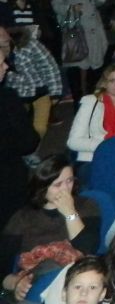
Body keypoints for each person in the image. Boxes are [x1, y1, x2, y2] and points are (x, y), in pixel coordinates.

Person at [0, 155, 100, 298]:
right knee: (48, 267)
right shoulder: (24, 217)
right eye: (57, 185)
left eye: (69, 181)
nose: (65, 189)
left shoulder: (87, 206)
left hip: (77, 280)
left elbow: (87, 248)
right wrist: (15, 282)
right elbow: (3, 262)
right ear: (43, 187)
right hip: (36, 281)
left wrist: (70, 212)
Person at [67, 63, 115, 173]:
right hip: (92, 157)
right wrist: (107, 146)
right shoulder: (90, 102)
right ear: (104, 84)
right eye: (112, 80)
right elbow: (73, 142)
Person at [0, 51, 39, 230]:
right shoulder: (7, 99)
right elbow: (28, 143)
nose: (7, 66)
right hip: (9, 180)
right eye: (1, 63)